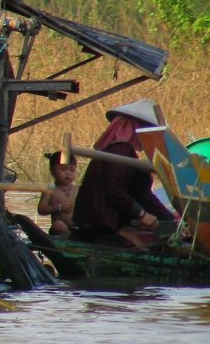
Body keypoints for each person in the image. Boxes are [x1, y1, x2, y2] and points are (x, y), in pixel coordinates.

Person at [72, 99, 175, 247]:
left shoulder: (126, 153)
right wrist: (142, 215)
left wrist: (168, 219)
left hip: (108, 219)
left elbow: (143, 192)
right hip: (101, 220)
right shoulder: (120, 150)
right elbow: (114, 190)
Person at [37, 152, 77, 237]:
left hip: (77, 227)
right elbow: (41, 210)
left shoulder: (78, 189)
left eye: (72, 170)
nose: (68, 173)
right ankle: (68, 238)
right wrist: (59, 207)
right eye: (63, 169)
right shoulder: (50, 189)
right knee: (58, 226)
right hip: (61, 229)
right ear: (52, 171)